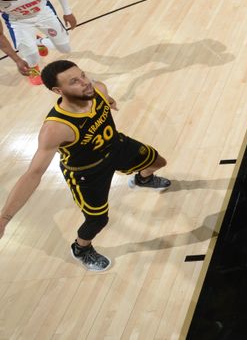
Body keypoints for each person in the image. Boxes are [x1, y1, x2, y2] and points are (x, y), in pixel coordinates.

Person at [0, 60, 171, 272]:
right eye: (75, 81)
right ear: (58, 90)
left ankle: (142, 179)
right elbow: (33, 174)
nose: (85, 83)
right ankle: (81, 248)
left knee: (158, 161)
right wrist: (4, 218)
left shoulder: (97, 89)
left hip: (116, 146)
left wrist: (108, 99)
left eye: (83, 75)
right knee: (98, 219)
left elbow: (102, 93)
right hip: (87, 173)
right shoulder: (55, 128)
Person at [0, 0, 77, 85]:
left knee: (65, 49)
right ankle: (34, 69)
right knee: (31, 55)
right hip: (19, 22)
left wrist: (68, 12)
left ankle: (39, 41)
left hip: (44, 14)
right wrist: (17, 60)